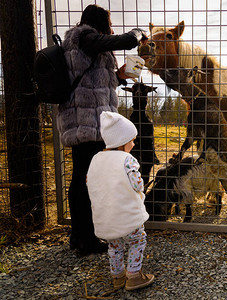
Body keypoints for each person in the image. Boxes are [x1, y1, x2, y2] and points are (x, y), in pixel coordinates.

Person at [57, 4, 148, 255]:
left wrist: (139, 63)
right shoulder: (83, 37)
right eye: (108, 21)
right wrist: (139, 34)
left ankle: (80, 237)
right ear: (100, 22)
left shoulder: (90, 46)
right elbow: (128, 40)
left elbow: (111, 81)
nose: (111, 26)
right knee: (85, 180)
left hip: (93, 121)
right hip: (87, 122)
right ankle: (85, 239)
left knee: (83, 178)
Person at [87, 111, 154, 291]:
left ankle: (117, 277)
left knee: (114, 246)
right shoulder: (127, 160)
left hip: (106, 217)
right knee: (137, 241)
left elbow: (89, 181)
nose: (133, 144)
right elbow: (137, 185)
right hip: (127, 216)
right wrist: (141, 182)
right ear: (121, 142)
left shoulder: (95, 159)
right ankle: (133, 276)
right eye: (131, 140)